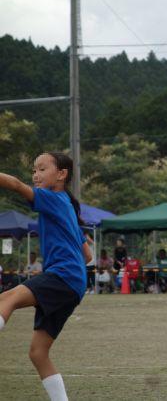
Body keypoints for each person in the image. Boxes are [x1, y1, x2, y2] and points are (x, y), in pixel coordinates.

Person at [0, 152, 92, 401]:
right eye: (34, 170)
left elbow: (17, 185)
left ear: (61, 175)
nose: (35, 175)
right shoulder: (67, 209)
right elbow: (88, 255)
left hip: (63, 276)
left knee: (6, 298)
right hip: (73, 283)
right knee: (38, 353)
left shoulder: (52, 198)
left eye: (42, 169)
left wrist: (61, 265)